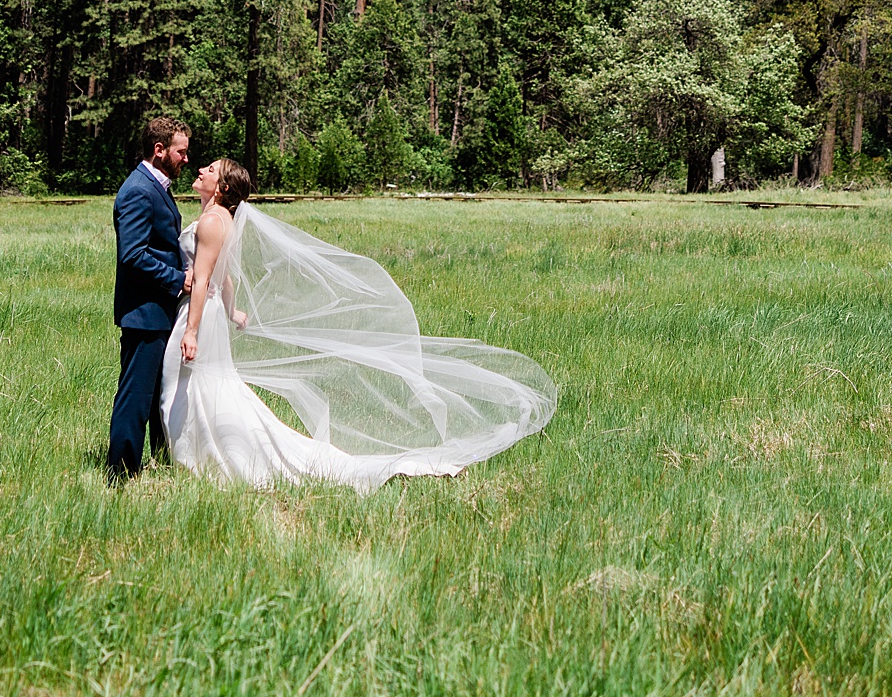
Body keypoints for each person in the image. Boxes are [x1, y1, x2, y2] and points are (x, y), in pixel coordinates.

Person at [159, 157, 557, 493]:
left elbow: (209, 277)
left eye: (210, 170)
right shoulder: (218, 219)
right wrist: (231, 311)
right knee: (203, 385)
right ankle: (203, 450)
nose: (202, 170)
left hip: (197, 315)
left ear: (222, 188)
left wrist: (193, 329)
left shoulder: (212, 222)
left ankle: (201, 456)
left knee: (185, 383)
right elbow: (223, 275)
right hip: (208, 312)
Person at [106, 116, 192, 484]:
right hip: (144, 312)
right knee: (136, 395)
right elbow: (133, 254)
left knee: (156, 394)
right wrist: (178, 279)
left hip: (158, 312)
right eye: (180, 152)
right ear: (159, 151)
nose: (186, 159)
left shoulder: (157, 185)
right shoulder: (138, 191)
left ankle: (153, 462)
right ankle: (120, 472)